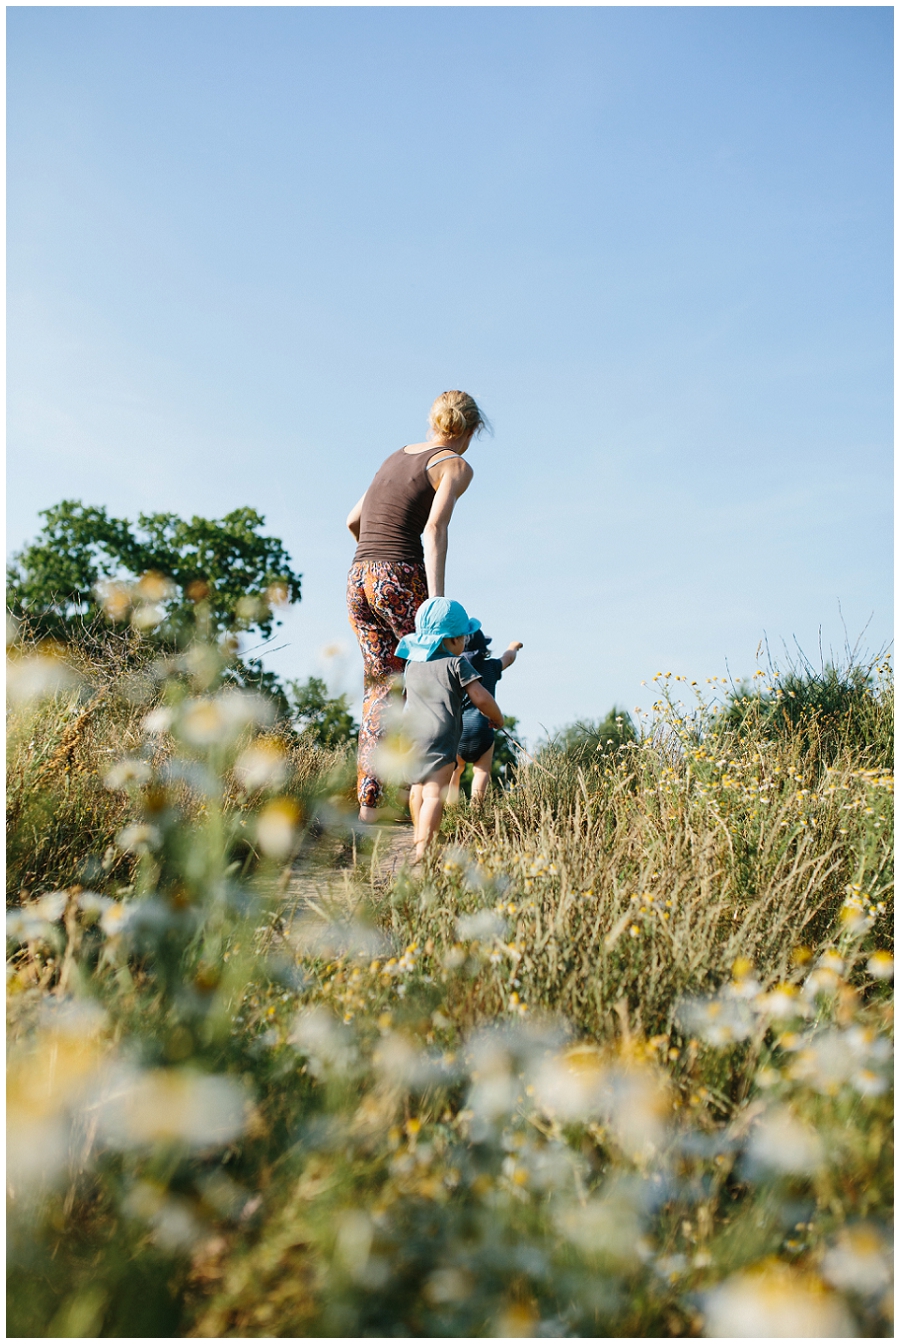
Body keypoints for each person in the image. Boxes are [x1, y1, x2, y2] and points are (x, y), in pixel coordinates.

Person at [346, 390, 487, 823]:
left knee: (380, 692)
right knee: (436, 679)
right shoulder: (455, 463)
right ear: (467, 432)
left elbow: (352, 521)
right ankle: (426, 799)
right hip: (400, 574)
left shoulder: (395, 457)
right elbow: (434, 528)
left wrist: (375, 573)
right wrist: (436, 603)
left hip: (358, 577)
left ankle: (368, 814)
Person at [396, 597, 503, 862]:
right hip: (440, 736)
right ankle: (425, 848)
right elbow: (481, 697)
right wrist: (497, 718)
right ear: (453, 640)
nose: (466, 643)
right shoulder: (457, 664)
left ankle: (417, 836)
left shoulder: (412, 665)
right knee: (434, 793)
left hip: (411, 735)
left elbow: (406, 699)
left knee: (417, 788)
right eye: (464, 638)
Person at [446, 630, 523, 807]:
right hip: (483, 728)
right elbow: (508, 658)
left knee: (455, 771)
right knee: (482, 771)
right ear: (484, 648)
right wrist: (513, 646)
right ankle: (476, 808)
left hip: (459, 730)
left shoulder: (455, 668)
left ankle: (451, 810)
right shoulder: (491, 667)